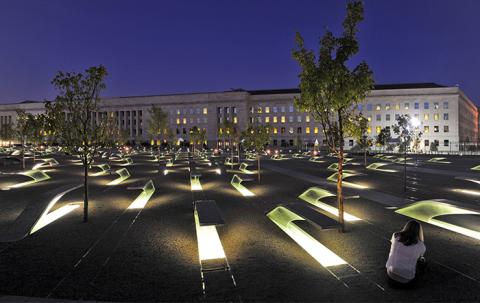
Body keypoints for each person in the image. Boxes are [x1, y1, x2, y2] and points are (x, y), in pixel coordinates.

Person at [386, 220, 426, 287]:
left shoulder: (395, 236)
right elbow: (420, 257)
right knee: (422, 261)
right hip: (406, 279)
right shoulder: (421, 245)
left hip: (390, 274)